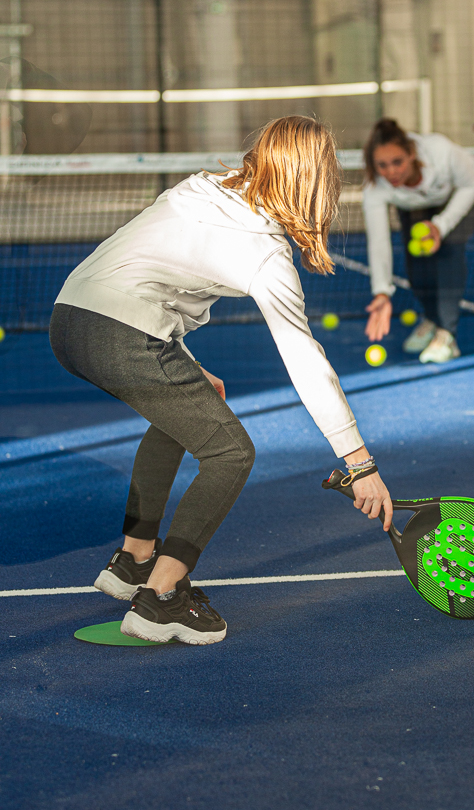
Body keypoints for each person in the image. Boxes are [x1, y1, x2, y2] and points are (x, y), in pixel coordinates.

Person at [49, 116, 393, 646]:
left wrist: (179, 355)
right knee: (231, 453)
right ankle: (162, 596)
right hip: (121, 332)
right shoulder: (265, 254)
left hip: (70, 317)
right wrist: (358, 461)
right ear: (315, 180)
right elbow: (304, 358)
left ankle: (134, 560)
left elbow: (142, 269)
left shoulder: (203, 187)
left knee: (195, 407)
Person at [362, 118, 474, 363]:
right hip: (415, 204)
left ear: (412, 154)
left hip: (465, 190)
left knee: (448, 249)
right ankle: (431, 317)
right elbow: (378, 241)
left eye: (397, 162)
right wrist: (382, 292)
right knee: (416, 260)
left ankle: (447, 334)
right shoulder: (376, 187)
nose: (391, 172)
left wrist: (440, 226)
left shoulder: (441, 151)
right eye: (382, 165)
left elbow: (470, 186)